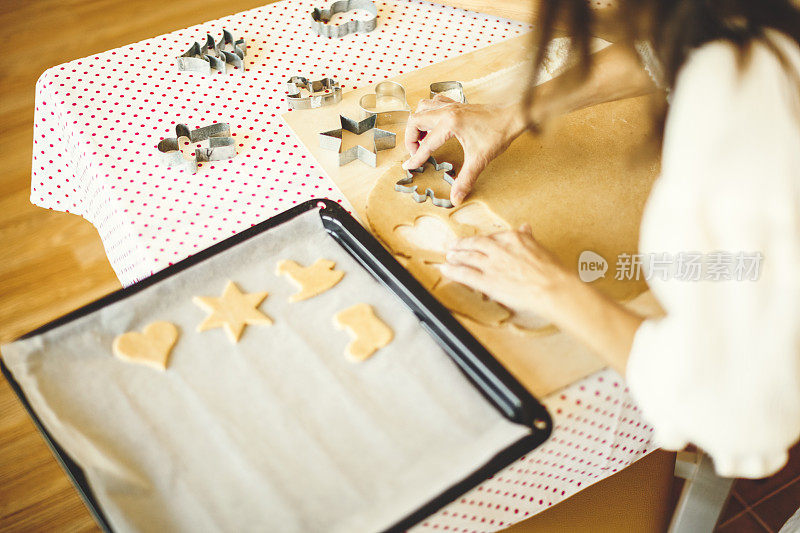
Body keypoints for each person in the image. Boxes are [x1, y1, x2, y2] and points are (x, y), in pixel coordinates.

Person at [404, 0, 800, 479]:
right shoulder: (736, 27)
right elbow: (672, 48)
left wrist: (550, 289)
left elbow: (740, 413)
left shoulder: (749, 104)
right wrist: (511, 114)